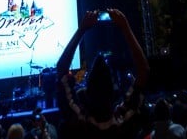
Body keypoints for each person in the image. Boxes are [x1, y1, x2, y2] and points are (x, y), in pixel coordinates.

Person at [56, 8, 149, 138]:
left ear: (87, 92)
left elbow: (61, 69)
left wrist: (81, 30)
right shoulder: (123, 122)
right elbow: (143, 71)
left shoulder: (80, 123)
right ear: (112, 93)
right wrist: (125, 27)